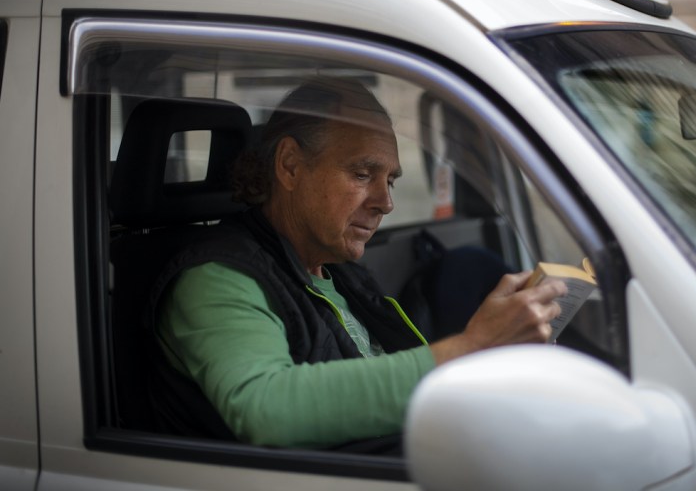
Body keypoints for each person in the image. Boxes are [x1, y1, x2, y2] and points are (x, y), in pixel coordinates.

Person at [147, 78, 567, 452]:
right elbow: (266, 409)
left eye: (391, 180)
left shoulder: (339, 272)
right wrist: (469, 347)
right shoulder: (216, 277)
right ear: (290, 165)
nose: (386, 202)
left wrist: (492, 359)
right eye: (363, 174)